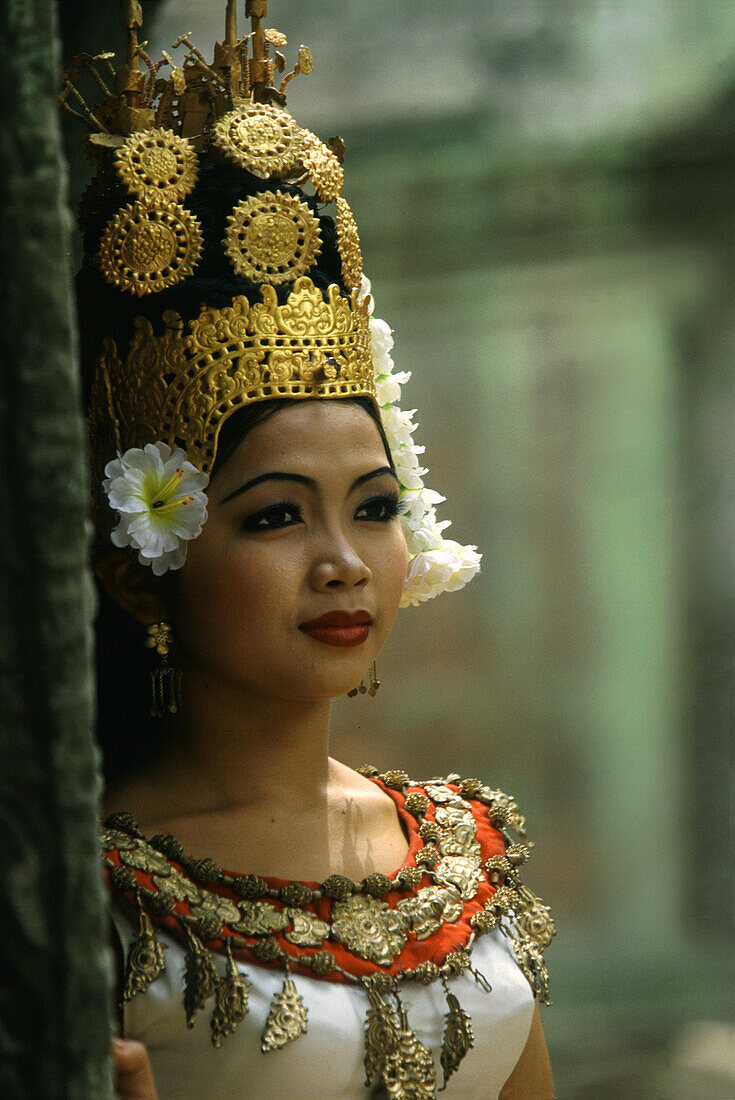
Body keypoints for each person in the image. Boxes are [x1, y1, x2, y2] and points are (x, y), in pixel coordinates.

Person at [66, 3, 555, 1096]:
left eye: (374, 506)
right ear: (136, 564)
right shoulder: (94, 891)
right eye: (276, 516)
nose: (342, 559)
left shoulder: (462, 847)